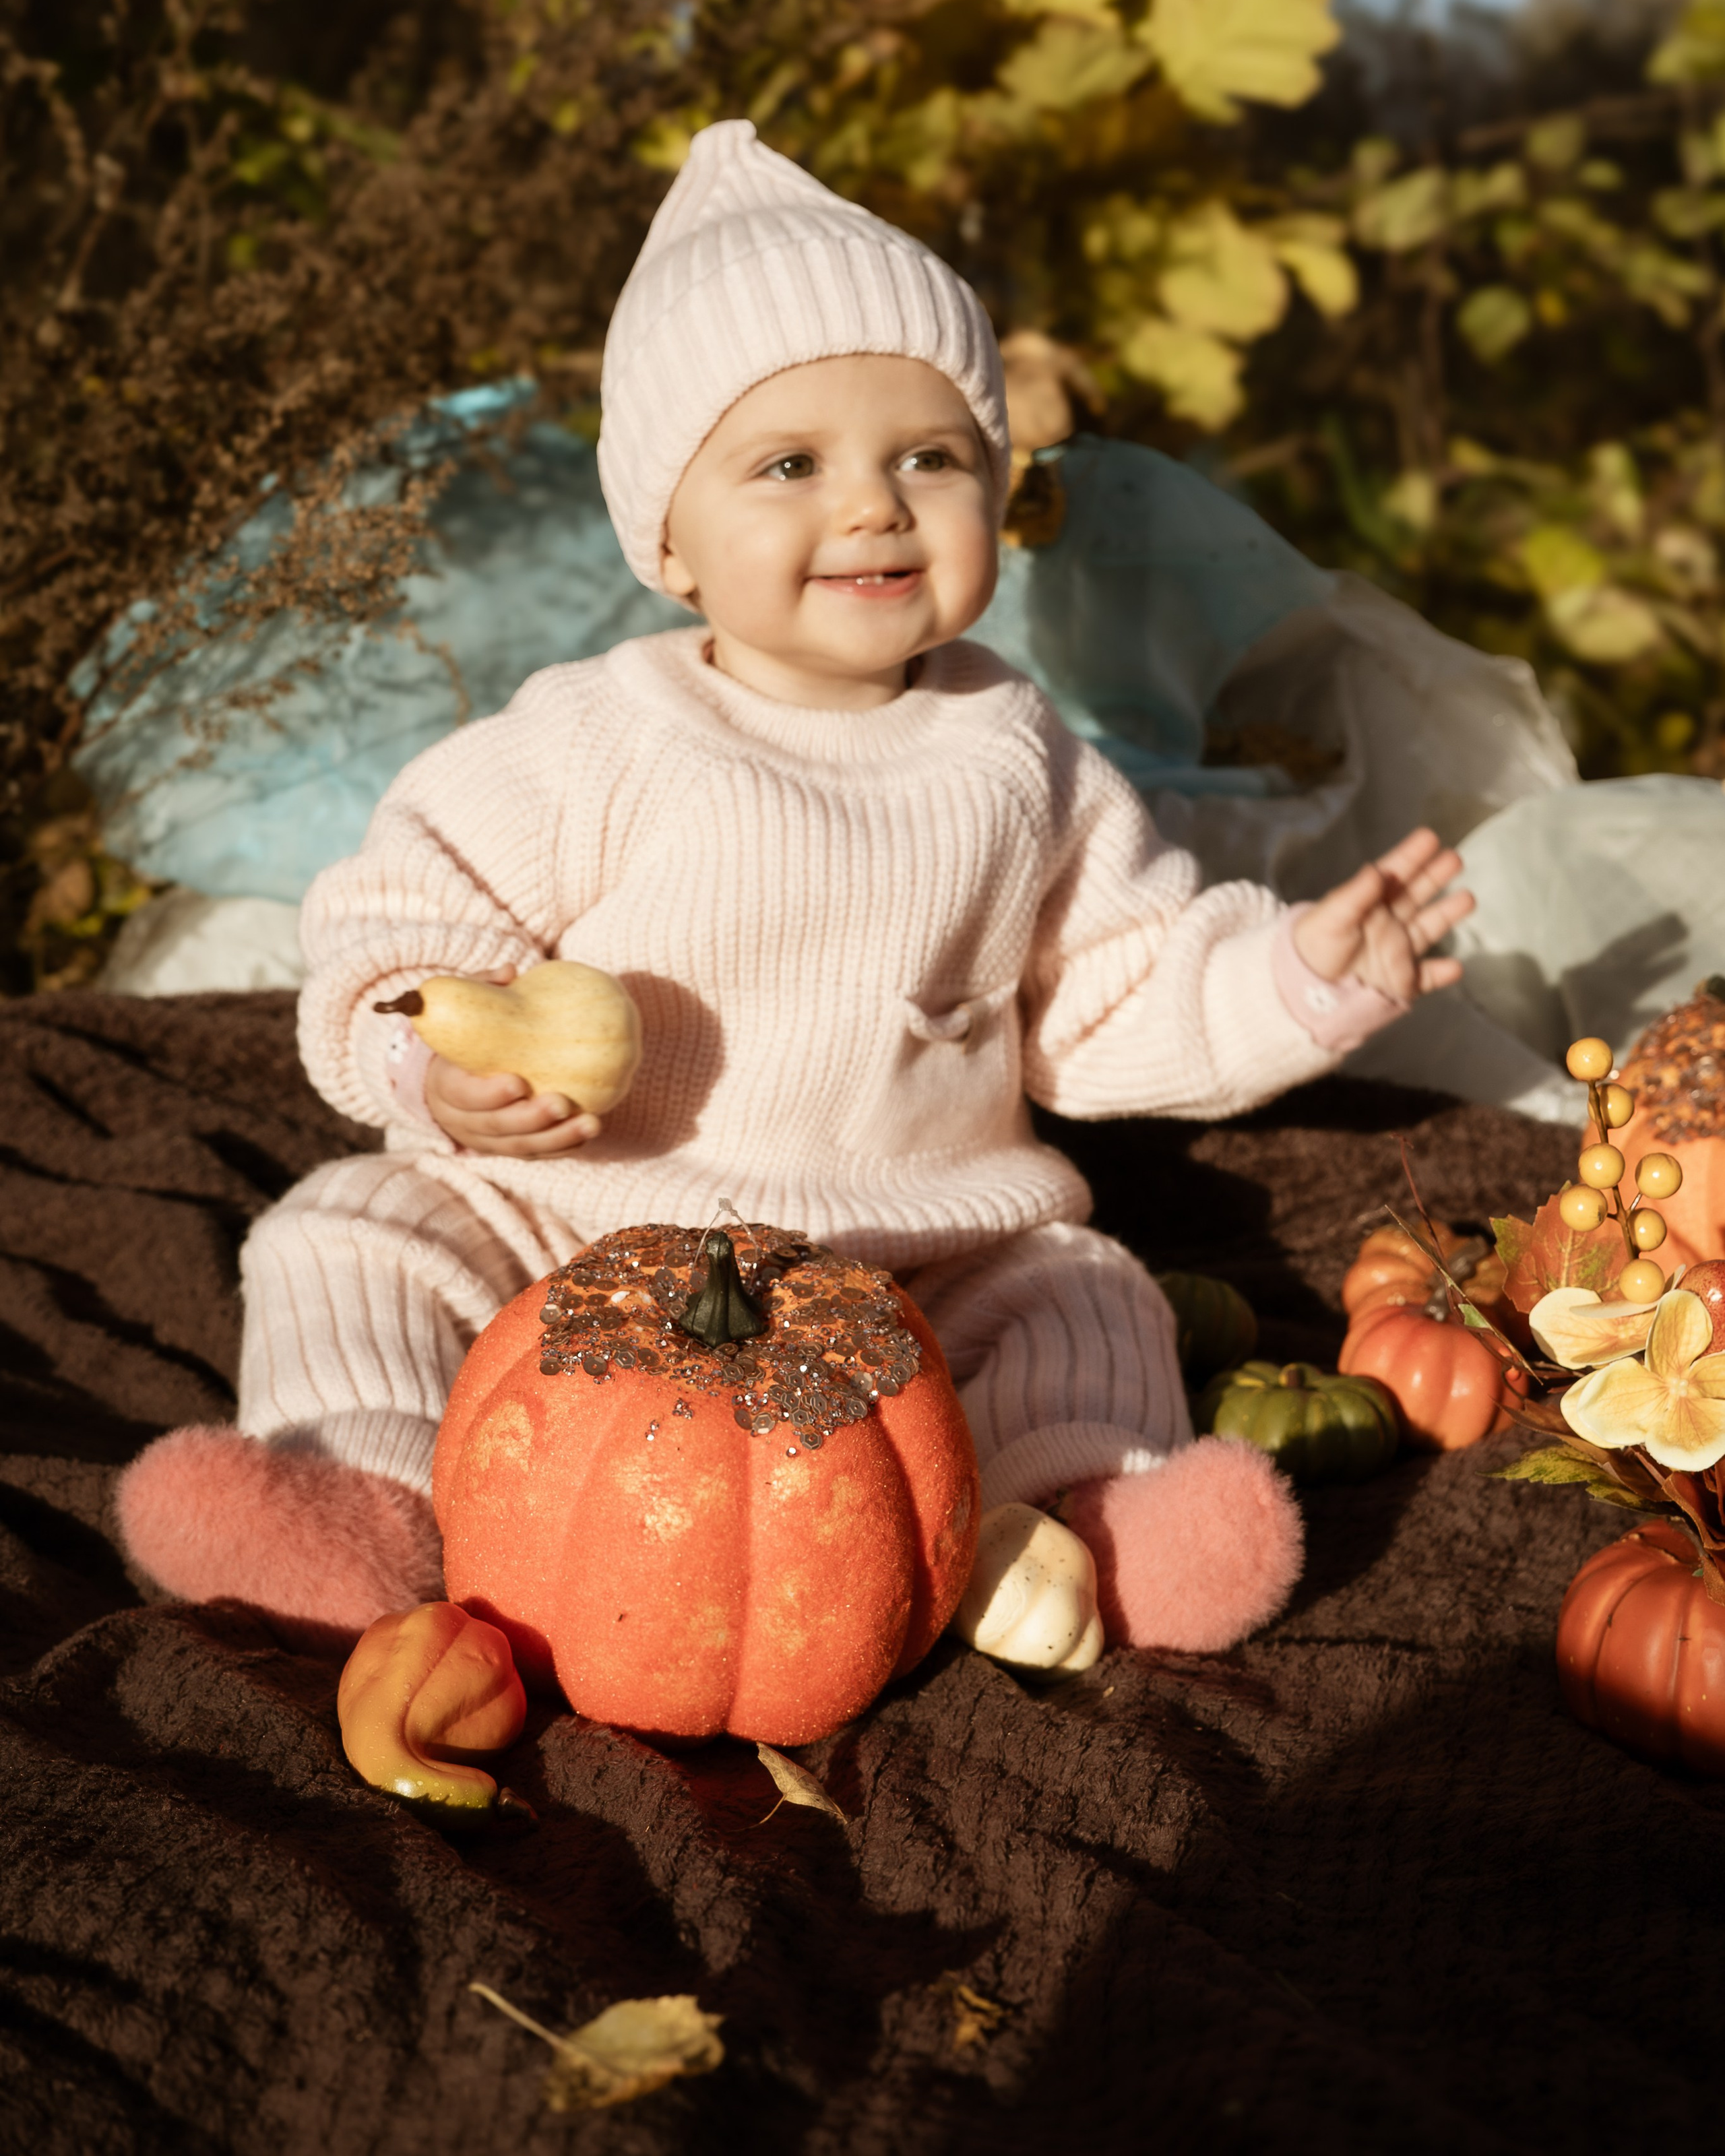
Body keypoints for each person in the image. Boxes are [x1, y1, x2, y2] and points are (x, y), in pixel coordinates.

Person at [115, 123, 1472, 1662]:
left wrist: (1298, 975)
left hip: (902, 1264)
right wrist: (439, 1065)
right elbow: (395, 923)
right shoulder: (593, 734)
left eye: (930, 457)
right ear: (670, 540)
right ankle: (363, 1495)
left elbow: (1116, 989)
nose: (874, 505)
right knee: (346, 1226)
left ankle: (1087, 1516)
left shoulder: (1012, 750)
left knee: (1086, 1294)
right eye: (789, 465)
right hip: (570, 1237)